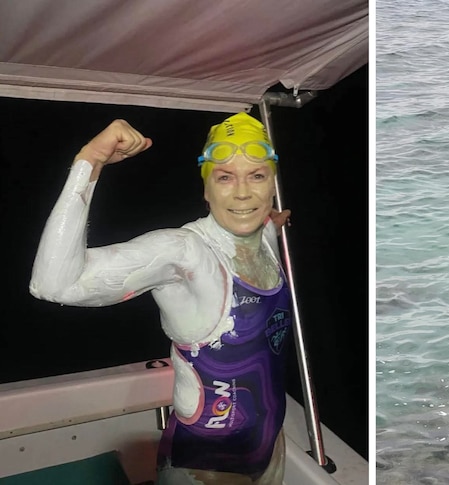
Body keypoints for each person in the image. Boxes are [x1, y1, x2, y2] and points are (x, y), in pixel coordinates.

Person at [29, 113, 293, 485]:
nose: (243, 193)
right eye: (225, 178)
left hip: (269, 449)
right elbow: (54, 285)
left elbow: (263, 222)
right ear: (206, 190)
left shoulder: (263, 237)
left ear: (271, 183)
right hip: (205, 468)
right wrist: (90, 159)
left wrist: (273, 220)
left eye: (257, 176)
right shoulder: (185, 253)